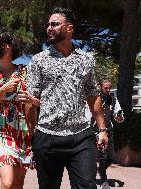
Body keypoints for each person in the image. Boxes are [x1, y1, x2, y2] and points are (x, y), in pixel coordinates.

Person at [26, 7, 108, 189]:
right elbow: (30, 101)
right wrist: (33, 135)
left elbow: (93, 95)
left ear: (69, 28)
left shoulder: (86, 60)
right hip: (47, 138)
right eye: (48, 24)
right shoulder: (39, 60)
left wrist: (102, 129)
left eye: (54, 24)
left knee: (87, 186)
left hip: (81, 137)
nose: (48, 28)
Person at [0, 28, 37, 189]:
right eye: (2, 43)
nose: (6, 46)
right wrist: (2, 91)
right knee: (7, 183)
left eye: (9, 43)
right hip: (1, 131)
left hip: (23, 131)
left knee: (18, 184)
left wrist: (34, 127)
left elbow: (30, 103)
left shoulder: (23, 71)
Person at [92, 80, 124, 189]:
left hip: (110, 131)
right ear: (100, 87)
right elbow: (88, 115)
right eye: (106, 88)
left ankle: (100, 170)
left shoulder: (113, 99)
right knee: (103, 157)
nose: (108, 90)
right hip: (98, 132)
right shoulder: (95, 99)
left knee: (111, 158)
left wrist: (119, 117)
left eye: (109, 88)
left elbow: (118, 116)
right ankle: (104, 180)